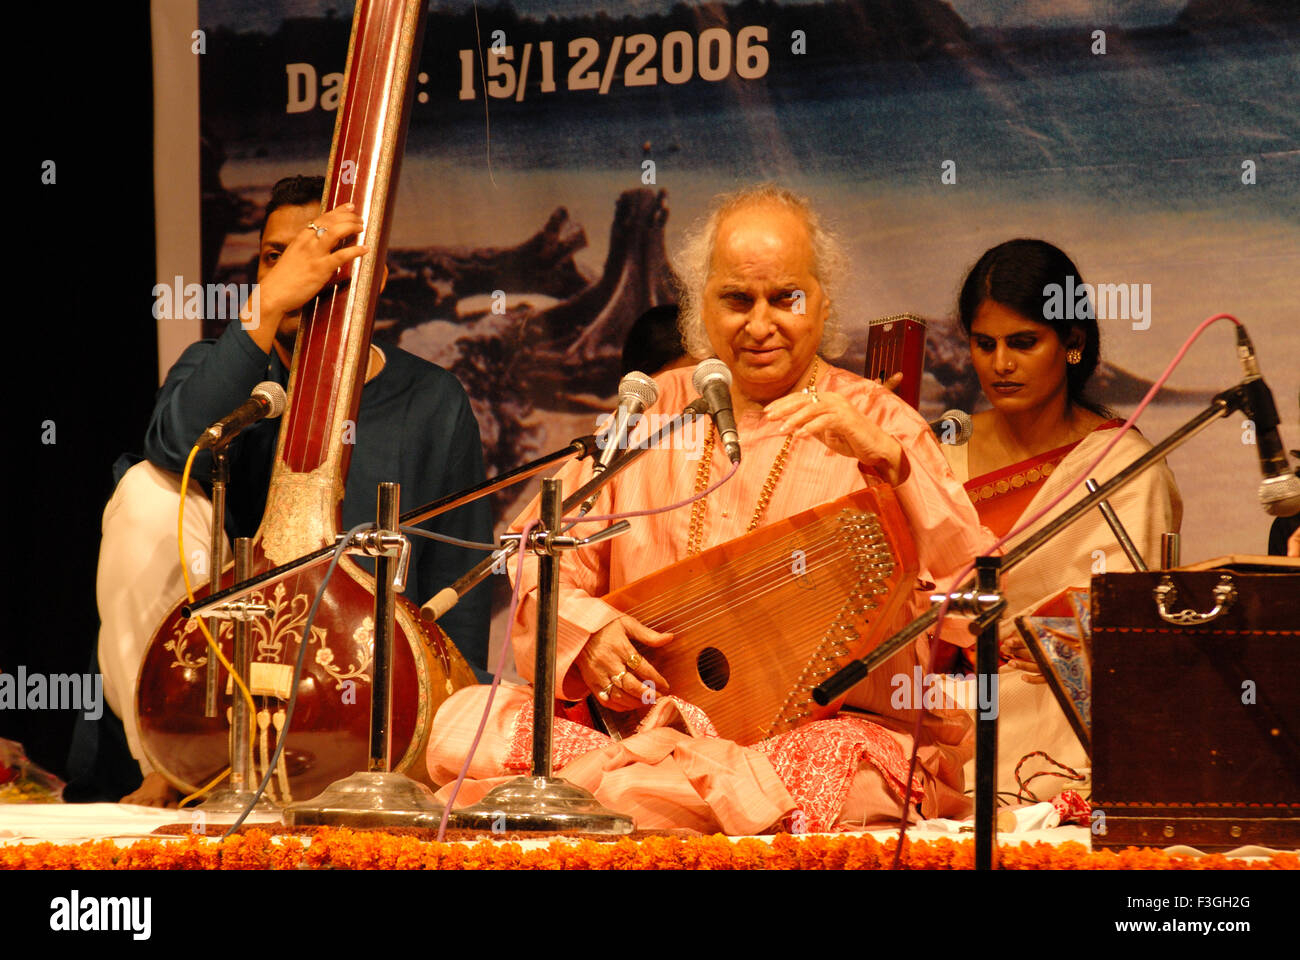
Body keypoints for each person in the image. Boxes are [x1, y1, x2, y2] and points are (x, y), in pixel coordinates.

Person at [424, 184, 991, 834]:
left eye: (785, 299)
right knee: (463, 727)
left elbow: (973, 599)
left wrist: (891, 466)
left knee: (850, 776)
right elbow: (533, 556)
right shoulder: (656, 412)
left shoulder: (881, 424)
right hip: (643, 725)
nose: (759, 324)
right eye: (736, 300)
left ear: (822, 302)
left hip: (811, 736)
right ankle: (701, 800)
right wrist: (588, 633)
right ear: (701, 305)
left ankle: (620, 799)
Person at [72, 175, 492, 806]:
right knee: (144, 492)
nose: (301, 269)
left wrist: (451, 740)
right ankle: (170, 765)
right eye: (277, 256)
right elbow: (176, 451)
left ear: (374, 275)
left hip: (358, 701)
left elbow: (461, 587)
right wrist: (265, 310)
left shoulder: (433, 401)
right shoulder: (222, 366)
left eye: (321, 253)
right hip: (214, 687)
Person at [939, 238, 1182, 799]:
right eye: (984, 344)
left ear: (1072, 344)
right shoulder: (944, 449)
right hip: (944, 696)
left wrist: (1062, 629)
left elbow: (1143, 620)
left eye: (1024, 343)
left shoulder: (1124, 466)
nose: (1000, 364)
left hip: (1057, 696)